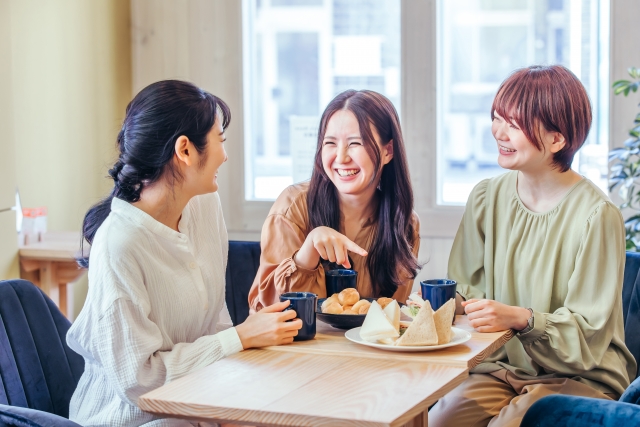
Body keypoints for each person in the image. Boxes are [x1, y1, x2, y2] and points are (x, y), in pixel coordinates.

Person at [67, 80, 302, 427]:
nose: (224, 154)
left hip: (198, 402)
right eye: (220, 140)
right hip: (131, 418)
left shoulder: (205, 204)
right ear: (185, 150)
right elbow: (138, 381)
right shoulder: (119, 245)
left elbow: (215, 323)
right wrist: (240, 337)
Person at [429, 65, 637, 427]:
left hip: (578, 377)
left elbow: (586, 335)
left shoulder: (598, 216)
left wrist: (520, 318)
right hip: (499, 367)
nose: (498, 132)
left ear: (557, 140)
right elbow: (465, 286)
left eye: (514, 124)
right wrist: (443, 304)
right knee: (439, 421)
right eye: (497, 118)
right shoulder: (486, 197)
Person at [248, 90, 420, 312]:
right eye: (330, 143)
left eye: (355, 143)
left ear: (388, 151)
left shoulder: (403, 222)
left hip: (362, 347)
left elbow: (389, 314)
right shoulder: (293, 206)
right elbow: (267, 310)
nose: (341, 157)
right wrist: (308, 251)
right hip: (293, 345)